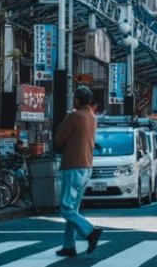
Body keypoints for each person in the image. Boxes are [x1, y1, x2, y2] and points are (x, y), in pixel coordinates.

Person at [53, 86, 102, 258]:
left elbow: (58, 138)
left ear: (77, 100)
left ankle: (90, 232)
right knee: (74, 208)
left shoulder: (75, 116)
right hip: (86, 166)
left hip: (73, 165)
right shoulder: (92, 117)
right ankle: (69, 245)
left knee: (66, 208)